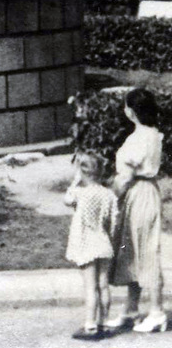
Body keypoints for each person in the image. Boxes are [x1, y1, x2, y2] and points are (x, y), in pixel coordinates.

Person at [106, 88, 168, 333]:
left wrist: (109, 198)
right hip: (141, 193)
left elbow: (126, 176)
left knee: (146, 251)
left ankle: (156, 312)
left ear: (131, 111)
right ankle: (131, 310)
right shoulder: (151, 134)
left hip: (139, 193)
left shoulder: (140, 138)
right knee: (132, 251)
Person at [65, 152, 117, 340]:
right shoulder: (108, 194)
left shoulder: (80, 193)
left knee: (90, 286)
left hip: (87, 244)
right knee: (103, 285)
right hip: (103, 242)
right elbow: (112, 220)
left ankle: (90, 324)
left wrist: (74, 181)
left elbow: (67, 200)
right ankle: (104, 321)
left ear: (83, 172)